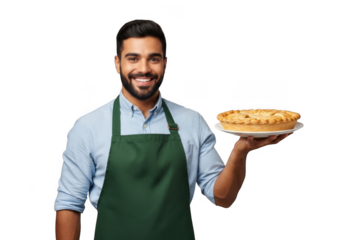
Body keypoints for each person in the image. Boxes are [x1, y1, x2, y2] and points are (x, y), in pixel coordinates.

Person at [54, 18, 292, 240]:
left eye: (154, 58)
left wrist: (240, 151)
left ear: (165, 64)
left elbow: (223, 198)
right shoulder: (87, 127)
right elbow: (69, 205)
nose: (144, 68)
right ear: (117, 63)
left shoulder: (192, 122)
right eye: (133, 58)